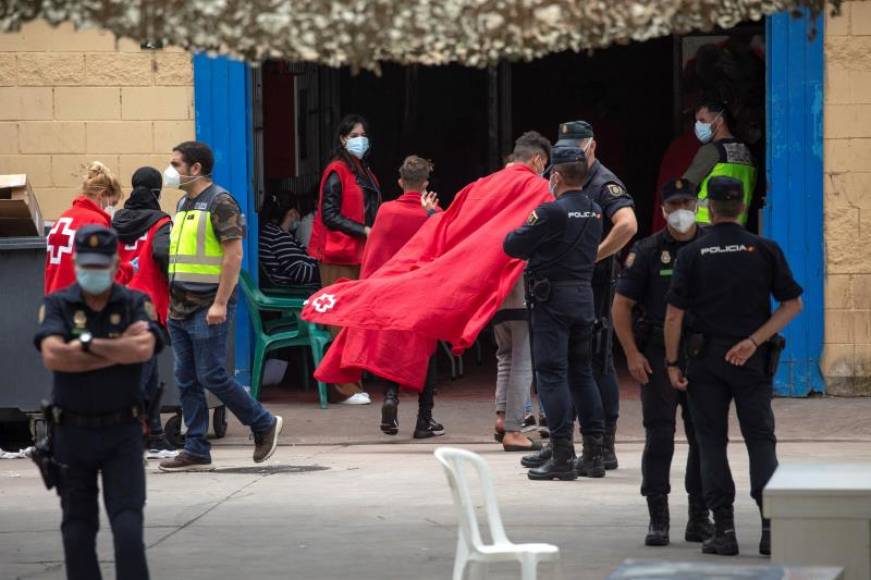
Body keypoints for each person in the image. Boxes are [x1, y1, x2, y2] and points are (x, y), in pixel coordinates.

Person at [665, 176, 803, 557]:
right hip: (750, 360)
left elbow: (674, 315)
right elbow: (793, 305)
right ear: (741, 206)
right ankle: (770, 528)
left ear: (708, 207)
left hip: (705, 361)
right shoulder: (763, 249)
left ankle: (723, 529)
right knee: (760, 441)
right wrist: (754, 340)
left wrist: (672, 362)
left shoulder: (692, 253)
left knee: (711, 443)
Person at [34, 225, 164, 580]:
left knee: (128, 531)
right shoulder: (58, 303)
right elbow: (53, 357)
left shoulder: (134, 302)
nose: (94, 272)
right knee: (76, 531)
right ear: (76, 262)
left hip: (123, 432)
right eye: (87, 265)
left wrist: (84, 346)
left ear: (115, 263)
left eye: (101, 266)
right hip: (72, 433)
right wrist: (114, 348)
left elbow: (143, 348)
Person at [158, 141, 283, 472]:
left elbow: (234, 255)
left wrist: (220, 303)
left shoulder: (221, 202)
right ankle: (196, 448)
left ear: (195, 168)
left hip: (207, 306)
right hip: (180, 307)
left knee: (211, 374)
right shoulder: (185, 202)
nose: (171, 171)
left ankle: (263, 422)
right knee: (186, 379)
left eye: (176, 164)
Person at [611, 178, 713, 547]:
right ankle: (658, 517)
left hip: (702, 352)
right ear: (664, 209)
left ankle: (699, 516)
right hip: (655, 352)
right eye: (674, 205)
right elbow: (620, 307)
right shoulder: (649, 251)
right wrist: (632, 354)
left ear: (697, 204)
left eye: (687, 202)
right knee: (659, 435)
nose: (681, 211)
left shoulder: (711, 245)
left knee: (703, 436)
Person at [503, 145, 606, 481]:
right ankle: (593, 453)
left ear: (556, 176)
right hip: (583, 298)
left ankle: (562, 452)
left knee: (551, 375)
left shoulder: (550, 212)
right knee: (583, 374)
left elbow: (513, 244)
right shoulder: (594, 210)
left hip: (552, 302)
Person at [553, 120, 637, 471]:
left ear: (592, 147)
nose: (572, 150)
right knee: (569, 363)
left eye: (578, 144)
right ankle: (566, 443)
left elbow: (628, 225)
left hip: (595, 284)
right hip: (565, 285)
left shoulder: (604, 183)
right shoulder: (560, 175)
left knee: (595, 360)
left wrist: (593, 256)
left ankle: (603, 445)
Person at [364, 155, 444, 438]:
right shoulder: (434, 214)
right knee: (428, 353)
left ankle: (390, 398)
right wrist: (433, 214)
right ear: (425, 184)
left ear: (400, 182)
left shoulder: (386, 211)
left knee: (392, 349)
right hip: (422, 294)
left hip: (390, 291)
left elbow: (373, 253)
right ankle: (424, 419)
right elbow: (443, 250)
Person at [308, 114, 382, 405]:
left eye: (362, 135)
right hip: (338, 254)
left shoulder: (362, 171)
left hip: (359, 254)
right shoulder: (337, 171)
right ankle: (344, 388)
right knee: (341, 321)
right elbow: (329, 215)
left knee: (357, 320)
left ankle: (355, 381)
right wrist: (364, 229)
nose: (359, 140)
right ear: (342, 139)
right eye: (353, 135)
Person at [113, 167, 176, 458]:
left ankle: (155, 433)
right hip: (146, 306)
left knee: (144, 375)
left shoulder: (116, 220)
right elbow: (163, 253)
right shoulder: (161, 222)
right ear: (157, 192)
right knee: (142, 375)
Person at [45, 161, 130, 295]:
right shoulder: (96, 222)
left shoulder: (64, 217)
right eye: (112, 203)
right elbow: (107, 273)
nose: (111, 209)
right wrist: (130, 268)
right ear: (102, 195)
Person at [683, 100, 757, 225]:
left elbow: (685, 185)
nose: (697, 126)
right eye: (696, 122)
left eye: (702, 121)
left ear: (719, 121)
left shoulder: (711, 151)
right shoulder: (747, 152)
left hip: (707, 224)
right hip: (738, 225)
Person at [259, 197, 320, 286]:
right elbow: (302, 274)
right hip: (292, 291)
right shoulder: (278, 237)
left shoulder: (272, 231)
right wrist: (326, 271)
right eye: (299, 213)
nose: (300, 218)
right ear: (292, 213)